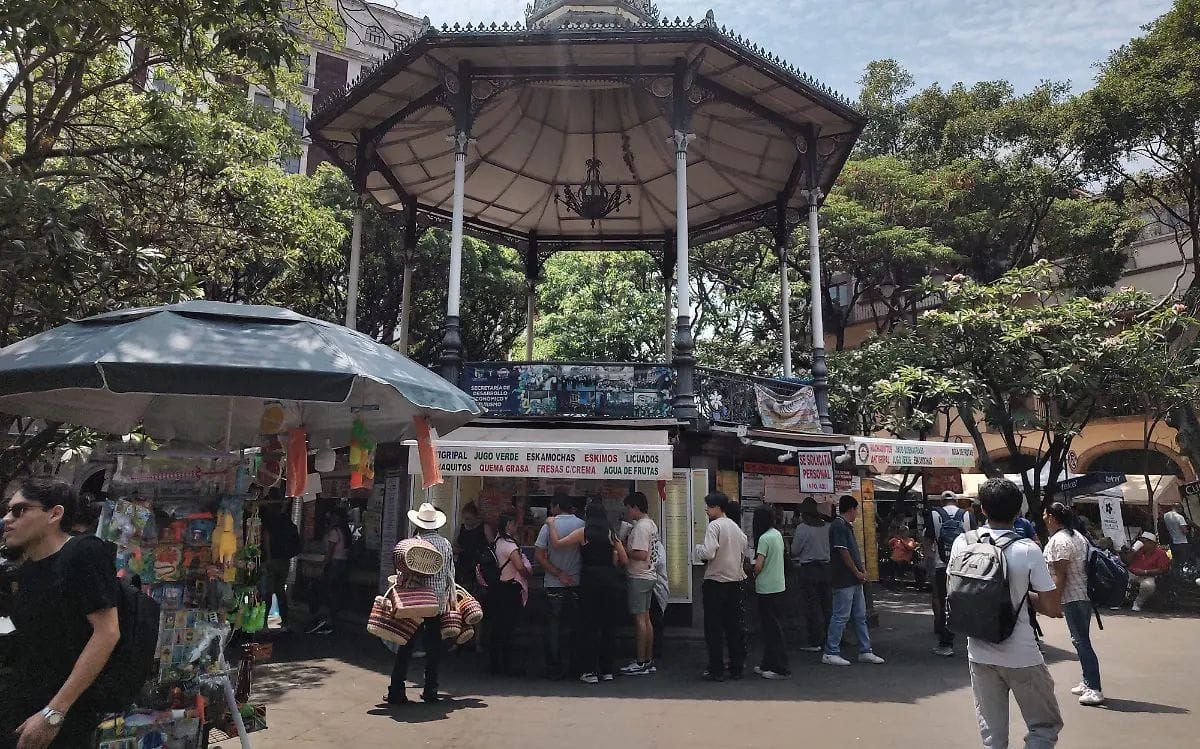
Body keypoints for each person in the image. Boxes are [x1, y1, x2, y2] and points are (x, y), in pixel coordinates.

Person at [1, 478, 122, 749]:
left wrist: (54, 712)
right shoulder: (28, 569)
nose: (8, 519)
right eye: (8, 511)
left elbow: (107, 632)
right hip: (21, 705)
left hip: (61, 716)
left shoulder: (83, 552)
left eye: (19, 510)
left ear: (54, 514)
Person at [954, 478, 1063, 749]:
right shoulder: (1027, 549)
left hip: (978, 651)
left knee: (993, 735)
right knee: (1043, 726)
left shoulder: (962, 543)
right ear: (1017, 512)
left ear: (983, 510)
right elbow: (1051, 607)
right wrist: (1024, 594)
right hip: (1021, 654)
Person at [548, 502, 628, 683]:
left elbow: (557, 544)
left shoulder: (583, 533)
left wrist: (551, 524)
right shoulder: (611, 534)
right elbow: (624, 559)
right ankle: (607, 670)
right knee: (609, 627)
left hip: (590, 581)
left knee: (589, 627)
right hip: (610, 582)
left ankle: (589, 671)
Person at [387, 502, 456, 705]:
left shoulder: (411, 544)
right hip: (437, 603)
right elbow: (450, 574)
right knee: (434, 647)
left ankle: (397, 690)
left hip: (414, 602)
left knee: (406, 645)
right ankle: (431, 689)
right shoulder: (445, 544)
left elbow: (402, 574)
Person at [1043, 502, 1104, 706]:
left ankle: (1095, 688)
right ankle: (1088, 682)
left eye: (1045, 514)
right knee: (1080, 639)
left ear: (1052, 517)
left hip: (1074, 596)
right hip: (1082, 595)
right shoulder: (1077, 536)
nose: (1043, 518)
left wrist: (1055, 602)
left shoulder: (1060, 540)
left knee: (1081, 641)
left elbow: (1061, 574)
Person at [823, 494, 885, 667]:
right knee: (841, 615)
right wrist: (856, 571)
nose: (857, 513)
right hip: (844, 578)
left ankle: (865, 650)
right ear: (851, 509)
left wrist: (861, 570)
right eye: (856, 510)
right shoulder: (839, 526)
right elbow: (843, 552)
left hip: (854, 579)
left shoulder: (845, 526)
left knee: (860, 615)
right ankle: (831, 651)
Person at [694, 492, 749, 681]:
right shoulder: (736, 528)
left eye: (709, 507)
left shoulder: (714, 526)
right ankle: (736, 667)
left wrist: (697, 550)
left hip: (715, 583)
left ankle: (716, 669)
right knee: (733, 628)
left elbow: (708, 552)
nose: (707, 510)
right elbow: (744, 552)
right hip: (735, 583)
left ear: (718, 508)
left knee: (714, 629)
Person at [534, 493, 584, 680]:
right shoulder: (581, 524)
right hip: (575, 582)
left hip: (554, 583)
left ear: (556, 506)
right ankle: (573, 666)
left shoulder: (549, 525)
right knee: (573, 626)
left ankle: (554, 667)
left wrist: (557, 573)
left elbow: (539, 555)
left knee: (553, 628)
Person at [925, 490, 973, 657]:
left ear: (941, 502)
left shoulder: (933, 514)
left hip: (942, 565)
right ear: (956, 501)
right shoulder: (967, 515)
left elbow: (929, 541)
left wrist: (928, 565)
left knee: (945, 601)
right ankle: (973, 639)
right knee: (968, 599)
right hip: (965, 565)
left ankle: (946, 643)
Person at [487, 513, 532, 676]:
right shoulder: (510, 545)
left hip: (496, 588)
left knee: (496, 628)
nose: (516, 527)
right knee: (507, 628)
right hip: (509, 589)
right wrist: (528, 571)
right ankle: (506, 664)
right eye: (514, 523)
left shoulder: (496, 542)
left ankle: (494, 663)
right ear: (508, 525)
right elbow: (520, 567)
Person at [620, 492, 659, 676]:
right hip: (649, 575)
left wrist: (624, 550)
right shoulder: (650, 524)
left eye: (629, 508)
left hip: (639, 575)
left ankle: (640, 661)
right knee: (646, 619)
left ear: (635, 507)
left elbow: (641, 554)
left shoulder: (642, 527)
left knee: (639, 620)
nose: (628, 512)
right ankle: (648, 659)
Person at [751, 506, 789, 679]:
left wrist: (752, 573)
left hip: (766, 588)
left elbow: (759, 565)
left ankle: (780, 667)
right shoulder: (777, 534)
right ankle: (767, 663)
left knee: (771, 630)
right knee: (772, 628)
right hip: (779, 586)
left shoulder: (764, 538)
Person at [791, 497, 832, 652]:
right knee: (827, 606)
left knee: (812, 606)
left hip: (809, 570)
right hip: (826, 570)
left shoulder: (802, 528)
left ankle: (815, 640)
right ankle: (831, 638)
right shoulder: (826, 527)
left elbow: (795, 550)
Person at [307, 507, 351, 635]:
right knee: (334, 589)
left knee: (328, 589)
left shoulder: (334, 531)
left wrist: (323, 565)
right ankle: (332, 616)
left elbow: (330, 550)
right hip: (341, 561)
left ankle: (328, 616)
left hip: (334, 562)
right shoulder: (343, 530)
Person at [261, 501, 301, 631]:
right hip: (285, 560)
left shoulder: (270, 522)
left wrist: (268, 557)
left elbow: (266, 539)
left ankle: (264, 623)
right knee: (280, 592)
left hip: (272, 560)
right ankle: (284, 622)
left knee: (267, 592)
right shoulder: (288, 523)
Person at [1126, 531, 1171, 612]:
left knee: (1148, 586)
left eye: (1144, 542)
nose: (1141, 543)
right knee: (1121, 577)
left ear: (1151, 543)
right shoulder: (1138, 550)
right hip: (1132, 573)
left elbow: (1163, 569)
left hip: (1147, 575)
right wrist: (1132, 552)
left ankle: (1138, 603)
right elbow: (1127, 562)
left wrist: (1145, 572)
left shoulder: (1160, 553)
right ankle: (1120, 600)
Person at [453, 502, 491, 591]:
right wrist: (459, 550)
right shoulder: (460, 528)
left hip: (480, 564)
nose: (467, 521)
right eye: (465, 519)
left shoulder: (484, 528)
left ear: (476, 517)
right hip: (463, 564)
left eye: (469, 519)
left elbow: (492, 546)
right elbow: (454, 545)